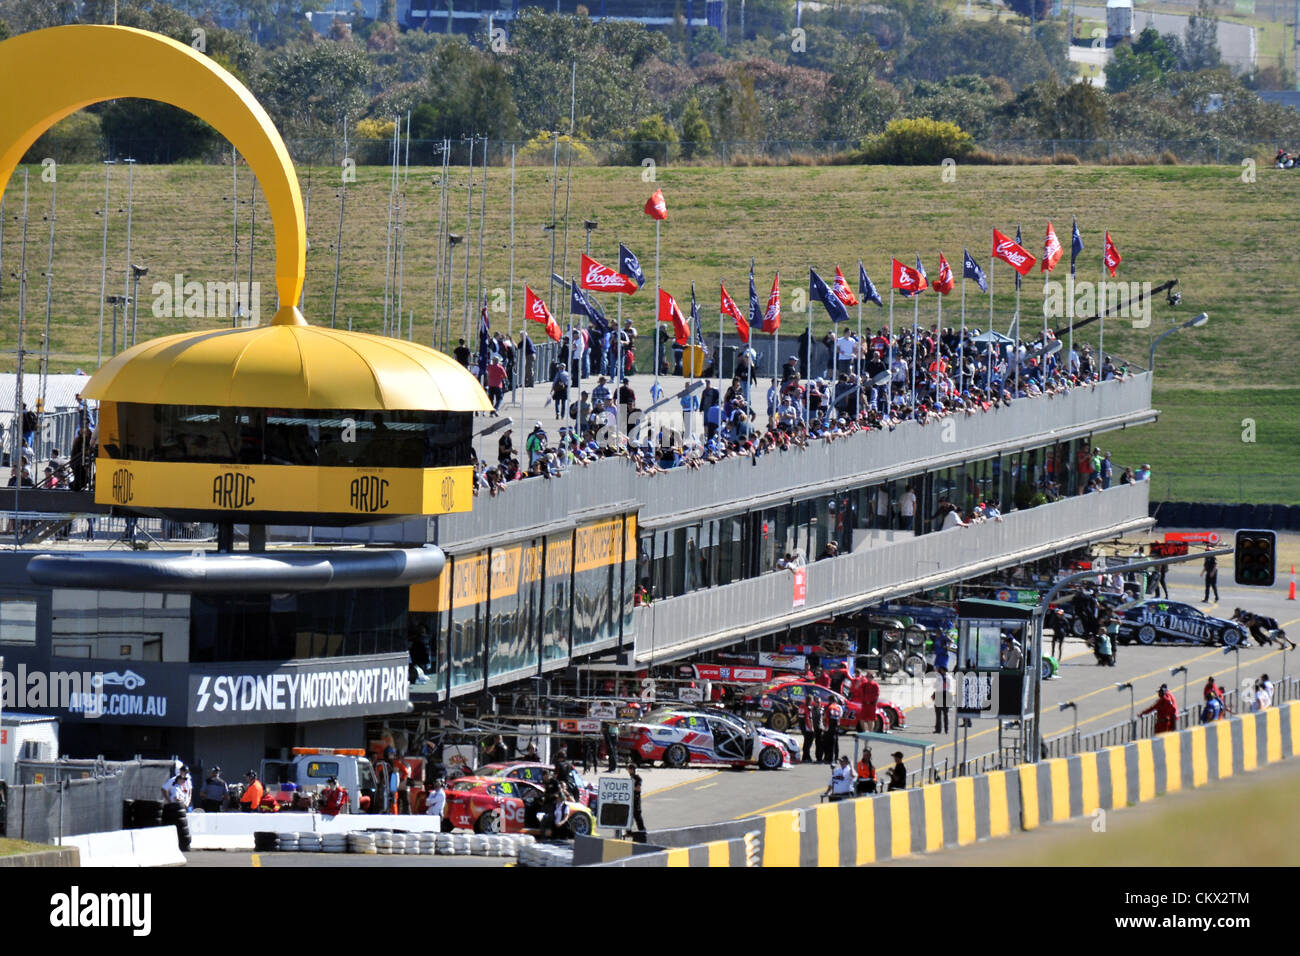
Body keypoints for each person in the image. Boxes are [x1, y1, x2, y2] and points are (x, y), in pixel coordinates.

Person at [802, 696, 823, 764]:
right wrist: (811, 728)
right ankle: (806, 757)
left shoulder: (822, 709)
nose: (818, 703)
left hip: (819, 729)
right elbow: (809, 719)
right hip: (812, 728)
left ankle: (819, 758)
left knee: (819, 744)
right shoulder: (811, 709)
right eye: (817, 702)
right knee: (808, 743)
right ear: (814, 702)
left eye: (819, 702)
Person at [932, 667, 953, 734]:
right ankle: (947, 729)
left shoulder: (939, 678)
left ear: (942, 670)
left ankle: (938, 729)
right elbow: (950, 687)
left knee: (938, 714)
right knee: (946, 714)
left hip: (940, 695)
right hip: (947, 695)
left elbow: (935, 686)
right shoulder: (949, 677)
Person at [628, 762, 646, 833]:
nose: (628, 771)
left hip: (636, 799)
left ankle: (642, 830)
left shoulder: (638, 778)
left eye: (629, 769)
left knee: (637, 815)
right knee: (629, 815)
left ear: (632, 770)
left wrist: (630, 787)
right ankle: (628, 831)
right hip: (631, 799)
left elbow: (638, 788)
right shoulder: (631, 777)